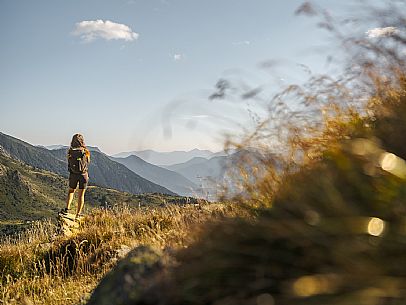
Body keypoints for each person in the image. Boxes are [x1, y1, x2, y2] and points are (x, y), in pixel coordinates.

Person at [61, 133, 91, 220]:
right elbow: (88, 161)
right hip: (83, 175)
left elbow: (69, 161)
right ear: (82, 141)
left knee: (71, 191)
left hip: (73, 174)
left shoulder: (70, 151)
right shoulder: (86, 151)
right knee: (81, 195)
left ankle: (67, 209)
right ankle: (78, 214)